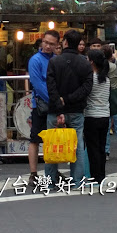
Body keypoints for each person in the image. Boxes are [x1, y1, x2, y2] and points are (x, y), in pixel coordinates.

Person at [46, 29, 93, 187]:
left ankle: (50, 181)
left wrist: (60, 105)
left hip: (54, 111)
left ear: (65, 42)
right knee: (78, 146)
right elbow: (86, 88)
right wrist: (68, 99)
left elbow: (51, 88)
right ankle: (77, 180)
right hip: (76, 110)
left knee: (52, 146)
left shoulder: (54, 61)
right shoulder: (85, 63)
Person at [27, 30, 59, 186]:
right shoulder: (35, 60)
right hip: (40, 105)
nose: (47, 46)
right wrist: (54, 100)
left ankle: (52, 169)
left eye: (51, 44)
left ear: (56, 45)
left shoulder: (56, 59)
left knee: (52, 140)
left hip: (53, 105)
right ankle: (33, 173)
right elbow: (37, 84)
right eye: (46, 42)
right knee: (35, 139)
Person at [84, 49, 111, 184]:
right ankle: (101, 175)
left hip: (91, 116)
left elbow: (86, 95)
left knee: (92, 147)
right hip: (105, 116)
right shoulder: (106, 79)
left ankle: (95, 176)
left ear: (92, 61)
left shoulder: (91, 79)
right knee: (101, 147)